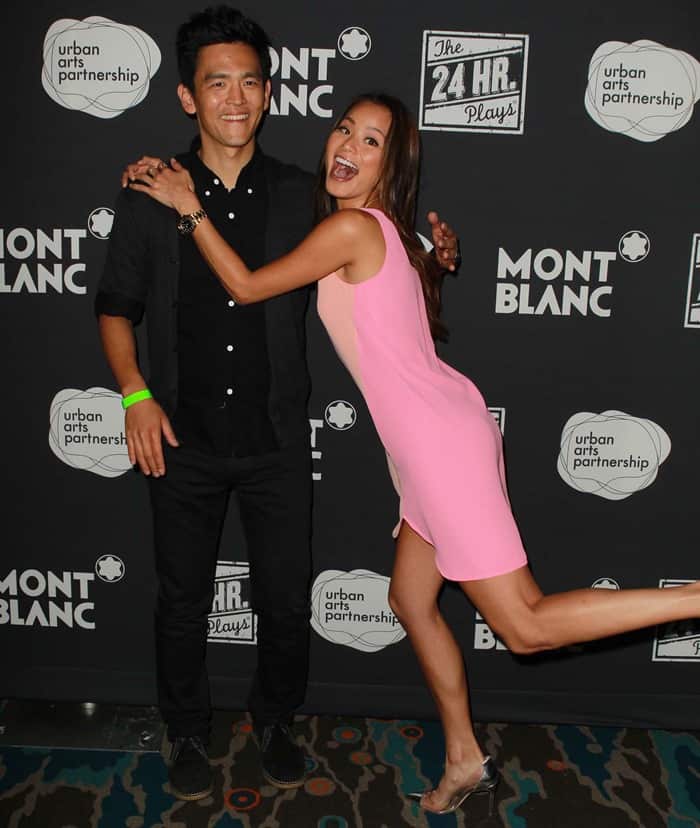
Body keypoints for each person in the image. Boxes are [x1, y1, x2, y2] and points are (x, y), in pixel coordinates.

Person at [128, 88, 700, 817]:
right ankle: (464, 756)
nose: (349, 146)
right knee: (409, 598)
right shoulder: (377, 230)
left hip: (440, 445)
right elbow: (403, 275)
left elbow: (244, 284)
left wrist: (189, 206)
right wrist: (438, 259)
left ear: (390, 166)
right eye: (345, 130)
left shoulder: (355, 231)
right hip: (429, 441)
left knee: (522, 625)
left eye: (372, 142)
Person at [95, 6, 459, 802]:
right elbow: (116, 307)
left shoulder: (304, 196)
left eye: (250, 82)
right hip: (179, 436)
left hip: (277, 441)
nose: (235, 99)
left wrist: (436, 255)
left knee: (286, 600)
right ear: (189, 96)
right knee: (182, 600)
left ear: (268, 94)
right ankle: (188, 729)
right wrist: (134, 393)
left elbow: (379, 241)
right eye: (215, 83)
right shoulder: (151, 196)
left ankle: (279, 721)